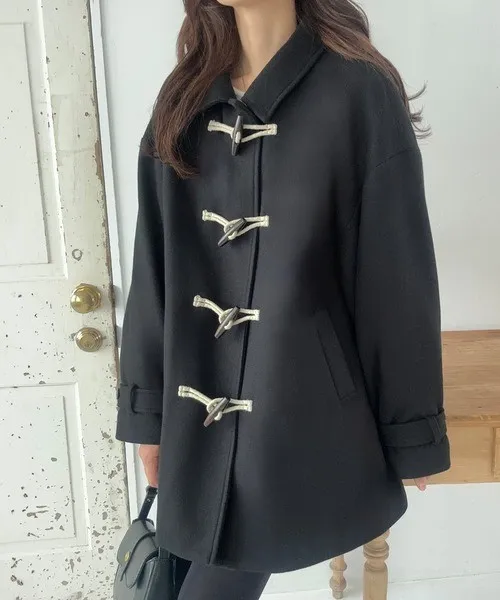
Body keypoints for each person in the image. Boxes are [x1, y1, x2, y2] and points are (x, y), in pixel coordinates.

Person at [115, 1, 451, 598]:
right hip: (195, 412)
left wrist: (411, 427)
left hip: (300, 409)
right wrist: (148, 416)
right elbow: (153, 268)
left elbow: (396, 278)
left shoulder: (359, 92)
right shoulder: (186, 96)